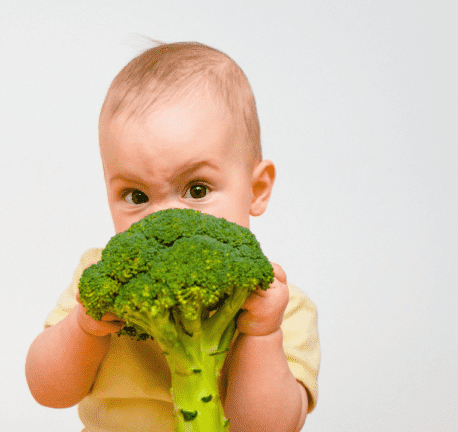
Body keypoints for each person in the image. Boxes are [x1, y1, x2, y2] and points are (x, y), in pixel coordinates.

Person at [25, 41, 320, 432]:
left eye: (197, 190)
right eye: (137, 196)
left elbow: (269, 428)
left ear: (257, 189)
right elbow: (48, 391)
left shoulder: (280, 305)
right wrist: (83, 328)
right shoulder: (99, 280)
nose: (165, 217)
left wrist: (262, 335)